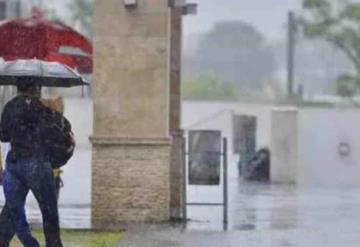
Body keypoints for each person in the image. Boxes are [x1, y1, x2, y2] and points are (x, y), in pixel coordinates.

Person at [0, 79, 68, 247]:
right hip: (37, 163)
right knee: (49, 211)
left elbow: (4, 136)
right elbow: (55, 134)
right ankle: (53, 244)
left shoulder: (9, 107)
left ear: (18, 88)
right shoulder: (42, 108)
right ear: (36, 88)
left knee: (11, 209)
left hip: (14, 164)